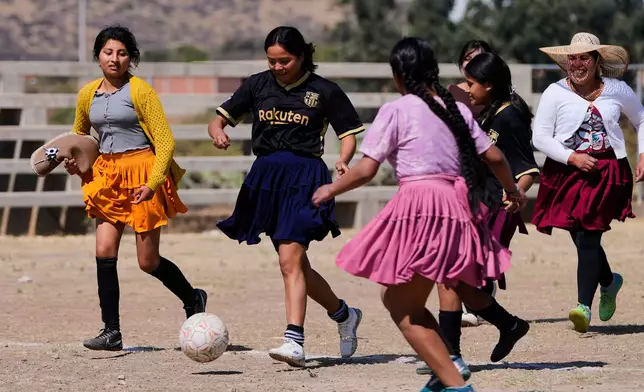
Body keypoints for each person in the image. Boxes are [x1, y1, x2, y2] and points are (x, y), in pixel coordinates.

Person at [312, 37, 529, 392]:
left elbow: (366, 170)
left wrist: (330, 189)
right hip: (457, 206)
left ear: (399, 76)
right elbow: (495, 157)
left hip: (421, 206)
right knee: (405, 300)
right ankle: (446, 373)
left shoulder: (397, 110)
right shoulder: (454, 108)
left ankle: (456, 383)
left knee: (400, 303)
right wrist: (513, 191)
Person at [208, 26, 363, 368]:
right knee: (296, 263)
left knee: (289, 261)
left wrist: (343, 158)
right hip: (266, 179)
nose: (277, 67)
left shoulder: (325, 91)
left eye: (285, 61)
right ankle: (344, 314)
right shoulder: (257, 84)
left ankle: (295, 339)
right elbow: (220, 119)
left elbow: (348, 133)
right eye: (272, 61)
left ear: (303, 56)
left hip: (305, 179)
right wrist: (218, 131)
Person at [65, 25, 207, 351]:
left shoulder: (140, 91)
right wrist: (75, 163)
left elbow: (165, 142)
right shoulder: (88, 94)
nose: (115, 59)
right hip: (108, 176)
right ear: (98, 56)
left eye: (122, 53)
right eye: (108, 52)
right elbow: (80, 140)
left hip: (143, 172)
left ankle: (193, 296)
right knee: (104, 251)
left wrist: (153, 183)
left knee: (147, 261)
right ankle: (111, 332)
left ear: (131, 57)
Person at [417, 52, 538, 376]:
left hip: (487, 204)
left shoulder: (510, 116)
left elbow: (524, 165)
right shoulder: (485, 110)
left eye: (471, 83)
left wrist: (515, 192)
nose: (466, 88)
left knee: (450, 274)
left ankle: (452, 354)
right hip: (468, 199)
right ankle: (505, 326)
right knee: (452, 276)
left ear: (489, 84)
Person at [533, 32, 644, 333]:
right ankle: (609, 281)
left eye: (584, 58)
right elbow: (540, 137)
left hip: (606, 171)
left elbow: (641, 118)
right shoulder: (554, 93)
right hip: (567, 172)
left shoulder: (618, 89)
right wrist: (572, 158)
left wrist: (643, 152)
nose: (577, 63)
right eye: (573, 58)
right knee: (579, 234)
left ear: (596, 62)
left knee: (589, 235)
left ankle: (583, 306)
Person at [448, 40, 496, 328]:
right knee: (464, 237)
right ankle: (471, 302)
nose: (472, 61)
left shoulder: (498, 94)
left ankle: (481, 296)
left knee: (487, 238)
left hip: (489, 173)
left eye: (478, 57)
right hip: (462, 173)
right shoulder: (454, 94)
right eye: (467, 57)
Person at [448, 40, 494, 119]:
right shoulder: (452, 92)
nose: (471, 63)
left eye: (478, 59)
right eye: (467, 59)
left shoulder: (494, 92)